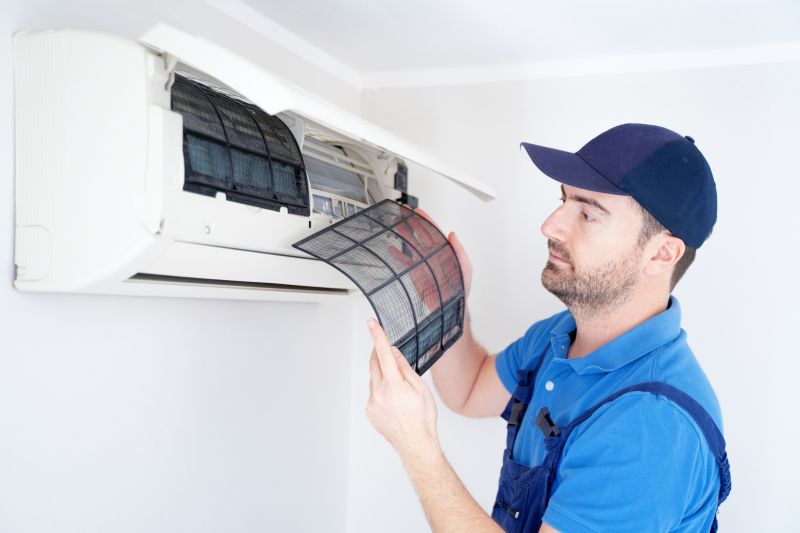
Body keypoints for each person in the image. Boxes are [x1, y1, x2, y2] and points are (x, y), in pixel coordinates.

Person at [364, 123, 730, 532]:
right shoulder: (558, 337)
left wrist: (417, 448)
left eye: (588, 213)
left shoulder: (651, 427)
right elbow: (467, 392)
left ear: (662, 253)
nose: (550, 226)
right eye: (563, 200)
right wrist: (446, 304)